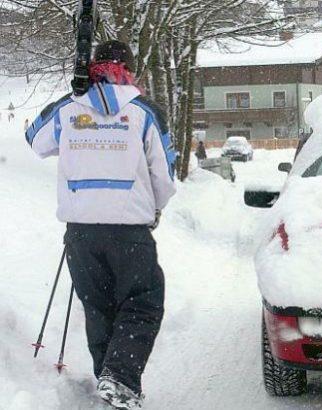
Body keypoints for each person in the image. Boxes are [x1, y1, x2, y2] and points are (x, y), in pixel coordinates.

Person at [25, 40, 176, 410]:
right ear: (130, 66)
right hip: (129, 229)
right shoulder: (144, 111)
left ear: (92, 66)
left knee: (98, 306)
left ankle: (110, 383)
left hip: (81, 231)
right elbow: (164, 174)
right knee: (142, 302)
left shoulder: (69, 108)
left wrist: (73, 100)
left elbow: (34, 139)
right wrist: (152, 209)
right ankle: (120, 379)